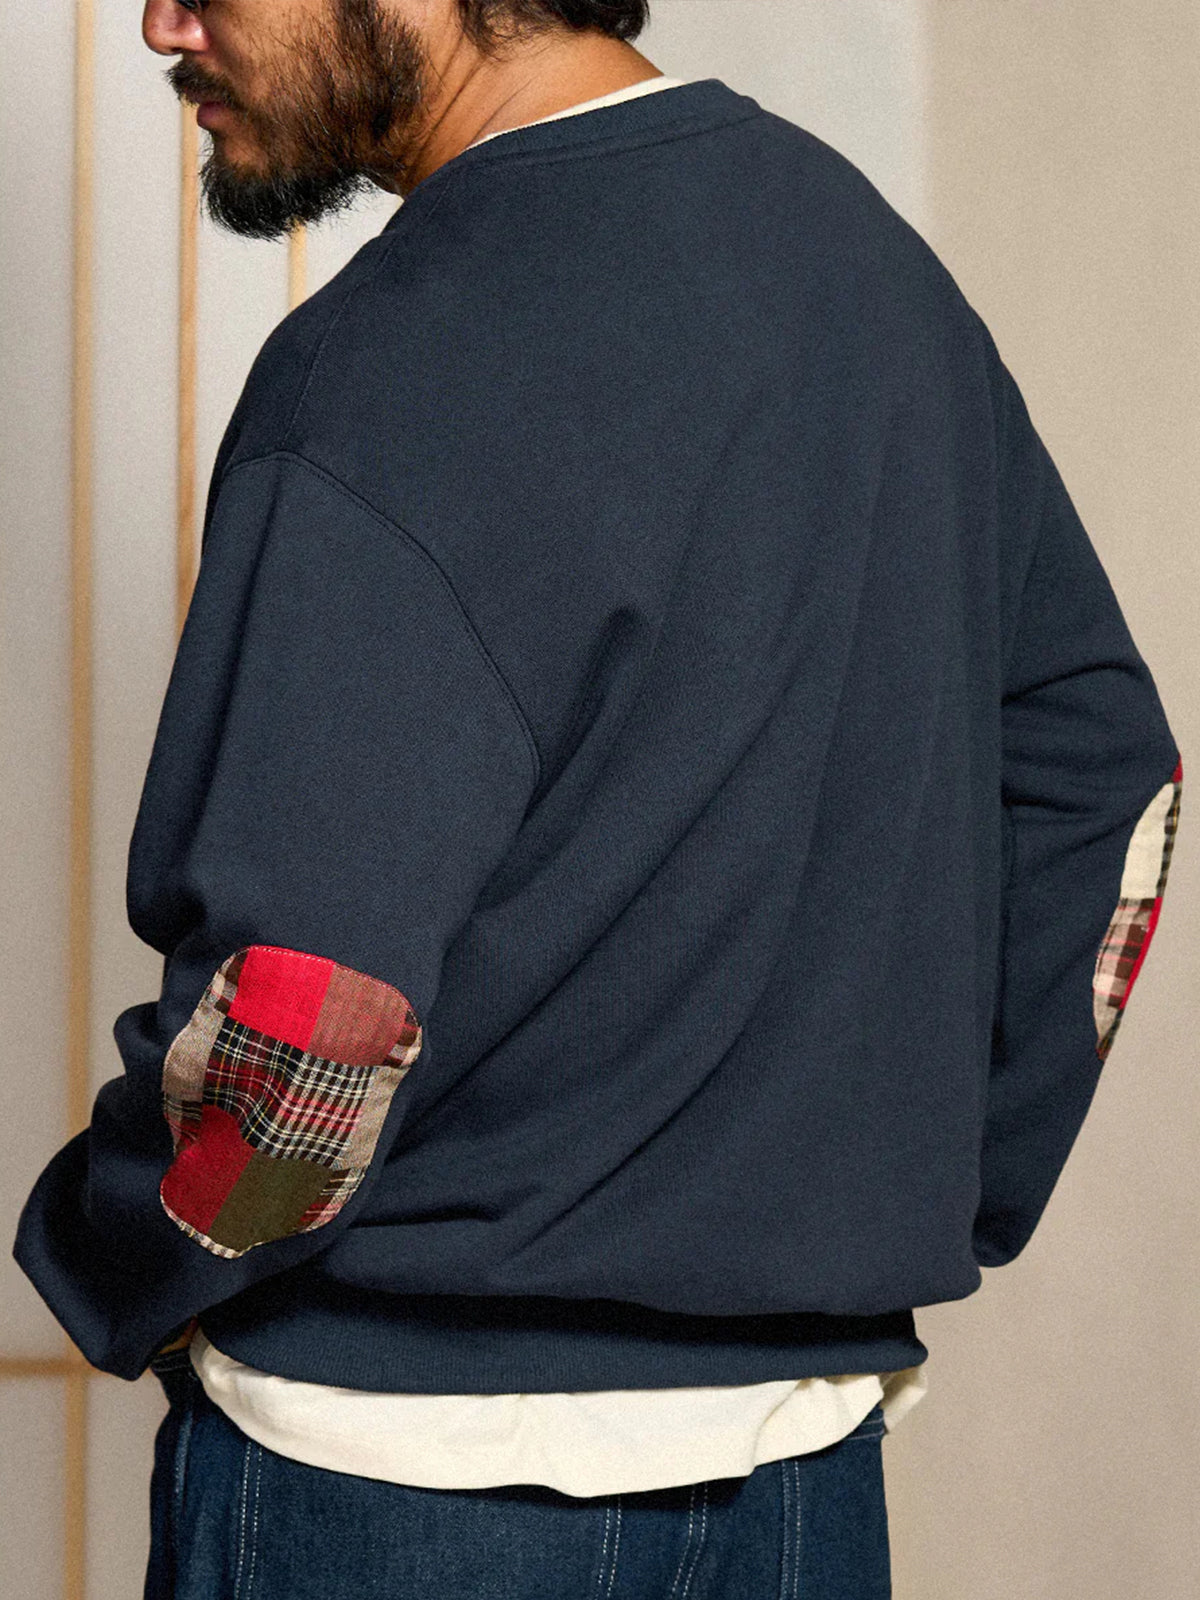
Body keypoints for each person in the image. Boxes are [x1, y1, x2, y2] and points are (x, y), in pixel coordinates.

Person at [13, 2, 1183, 1596]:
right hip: (800, 1474)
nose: (164, 19)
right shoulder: (870, 277)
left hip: (398, 1486)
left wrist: (112, 1252)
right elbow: (1110, 788)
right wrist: (923, 1190)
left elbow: (303, 1018)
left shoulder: (388, 365)